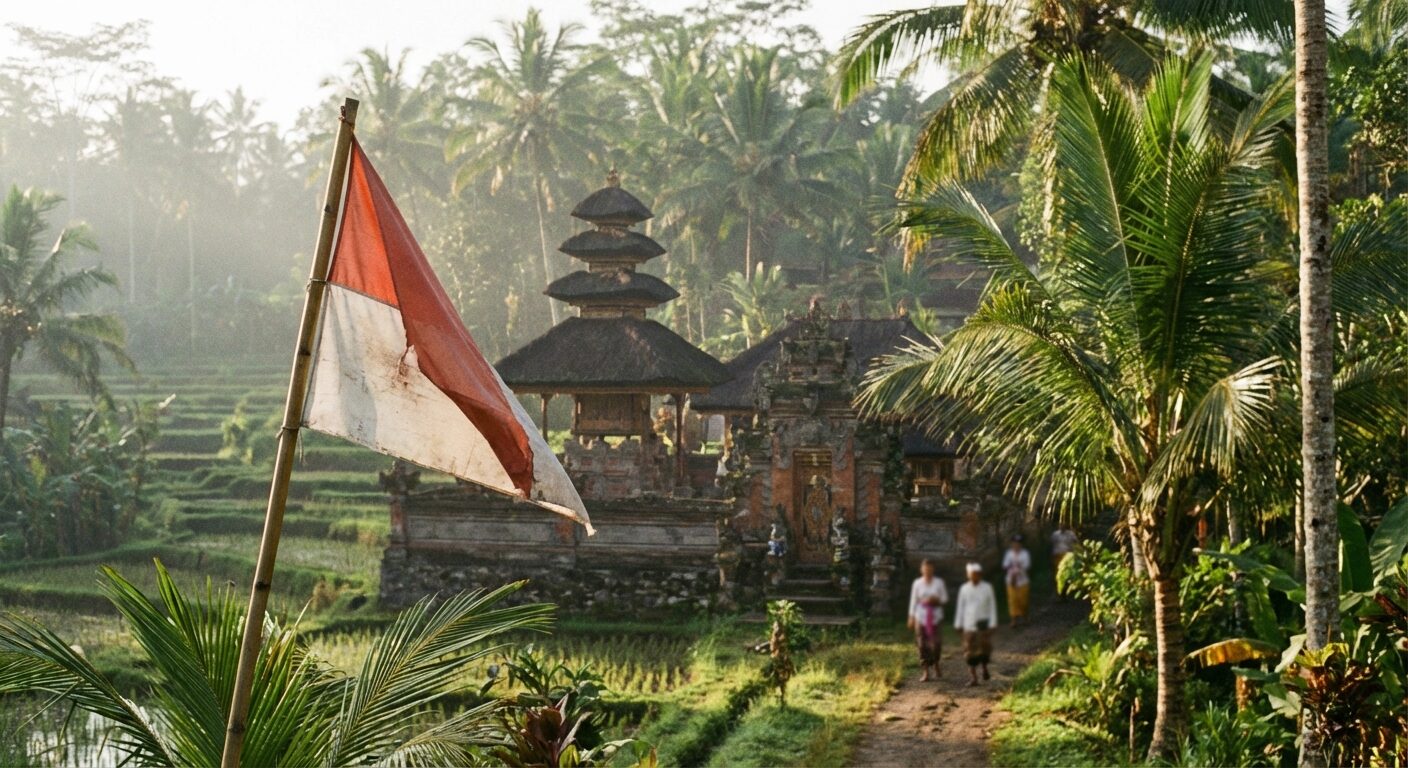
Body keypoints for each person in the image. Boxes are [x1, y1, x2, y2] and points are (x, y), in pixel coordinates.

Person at [954, 562, 997, 686]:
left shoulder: (987, 587)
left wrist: (993, 623)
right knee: (969, 651)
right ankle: (974, 678)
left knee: (984, 649)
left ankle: (984, 668)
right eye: (971, 574)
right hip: (968, 624)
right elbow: (960, 607)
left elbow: (992, 606)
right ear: (968, 575)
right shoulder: (964, 589)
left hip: (983, 622)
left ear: (980, 575)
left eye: (976, 574)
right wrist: (958, 623)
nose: (974, 577)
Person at [907, 559, 948, 681]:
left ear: (933, 570)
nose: (927, 571)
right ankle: (925, 671)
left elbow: (944, 598)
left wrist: (935, 600)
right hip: (920, 615)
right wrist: (911, 616)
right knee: (921, 643)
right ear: (921, 570)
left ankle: (936, 664)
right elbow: (913, 600)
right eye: (925, 569)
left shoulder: (939, 583)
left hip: (935, 616)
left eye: (929, 569)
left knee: (936, 644)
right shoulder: (917, 583)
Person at [1003, 535, 1032, 627]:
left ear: (1021, 544)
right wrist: (1012, 570)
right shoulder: (1009, 554)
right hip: (1011, 581)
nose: (1016, 545)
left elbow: (1027, 566)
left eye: (1018, 543)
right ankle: (1014, 620)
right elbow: (1005, 565)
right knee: (1013, 600)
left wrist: (1018, 570)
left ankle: (1025, 617)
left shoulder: (1025, 554)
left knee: (1023, 601)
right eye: (1014, 543)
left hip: (1022, 581)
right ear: (1012, 544)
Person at [1050, 524, 1079, 598]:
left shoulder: (1070, 534)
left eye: (1063, 525)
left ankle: (1065, 592)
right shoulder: (1055, 534)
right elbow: (1051, 544)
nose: (1062, 526)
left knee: (1066, 573)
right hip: (1057, 555)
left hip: (1067, 556)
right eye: (1060, 525)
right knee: (1058, 573)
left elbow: (1076, 542)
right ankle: (1058, 591)